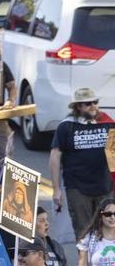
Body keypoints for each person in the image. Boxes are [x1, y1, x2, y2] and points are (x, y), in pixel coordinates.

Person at [50, 87, 113, 240]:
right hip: (77, 188)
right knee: (84, 232)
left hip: (104, 187)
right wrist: (56, 189)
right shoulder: (67, 126)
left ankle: (101, 263)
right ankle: (84, 264)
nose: (93, 106)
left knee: (108, 231)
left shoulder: (106, 123)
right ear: (78, 106)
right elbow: (55, 155)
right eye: (88, 103)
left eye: (95, 102)